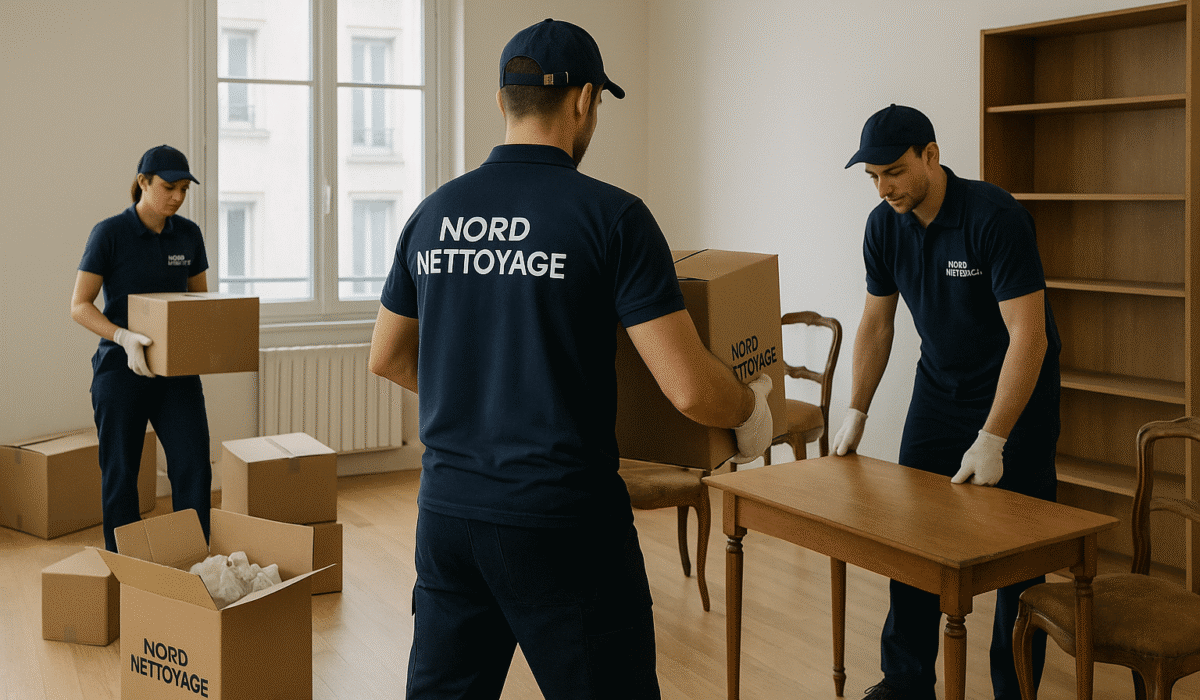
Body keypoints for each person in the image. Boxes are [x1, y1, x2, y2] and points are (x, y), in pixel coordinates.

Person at [368, 18, 773, 700]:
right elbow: (689, 391)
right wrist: (752, 408)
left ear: (503, 101)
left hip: (449, 516)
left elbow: (386, 356)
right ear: (585, 100)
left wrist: (481, 407)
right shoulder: (613, 218)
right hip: (564, 523)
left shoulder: (434, 214)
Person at [834, 104, 1061, 700]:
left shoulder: (995, 216)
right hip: (938, 394)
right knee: (914, 547)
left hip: (1018, 399)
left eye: (895, 172)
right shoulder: (883, 225)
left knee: (1018, 564)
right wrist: (855, 411)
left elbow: (1028, 336)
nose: (884, 188)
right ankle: (906, 682)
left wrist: (994, 438)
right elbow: (876, 325)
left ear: (931, 156)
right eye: (873, 177)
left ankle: (1015, 692)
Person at [70, 145, 213, 552]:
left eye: (185, 189)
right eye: (169, 187)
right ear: (143, 183)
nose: (178, 197)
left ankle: (194, 561)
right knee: (121, 473)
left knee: (192, 468)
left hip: (177, 373)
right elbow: (79, 305)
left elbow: (198, 305)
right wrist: (123, 336)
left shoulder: (188, 234)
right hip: (120, 369)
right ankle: (126, 567)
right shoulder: (109, 233)